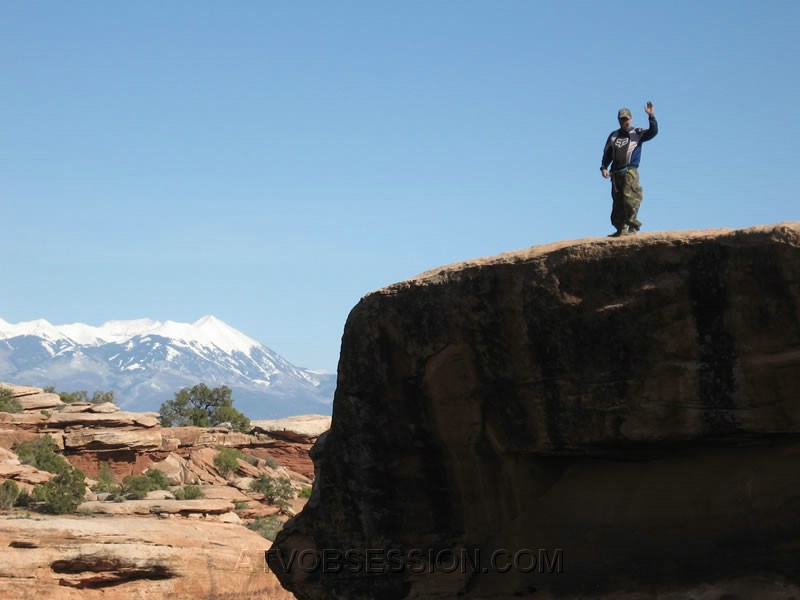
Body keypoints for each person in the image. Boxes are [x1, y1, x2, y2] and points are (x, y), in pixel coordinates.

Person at [600, 103, 658, 237]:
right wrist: (603, 167)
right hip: (615, 173)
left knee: (630, 199)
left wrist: (651, 116)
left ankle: (632, 226)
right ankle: (620, 229)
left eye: (626, 119)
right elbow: (607, 153)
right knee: (618, 201)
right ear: (619, 120)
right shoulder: (613, 135)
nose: (624, 121)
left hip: (629, 171)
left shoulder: (636, 132)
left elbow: (653, 132)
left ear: (630, 119)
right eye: (622, 119)